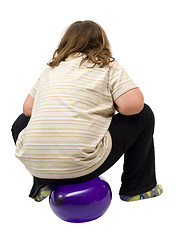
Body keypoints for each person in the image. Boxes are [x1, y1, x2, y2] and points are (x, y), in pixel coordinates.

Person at [11, 20, 163, 202]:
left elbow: (27, 109)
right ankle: (138, 188)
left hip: (37, 165)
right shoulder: (106, 65)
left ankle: (43, 181)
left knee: (21, 122)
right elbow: (133, 105)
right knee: (144, 115)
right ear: (102, 43)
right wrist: (109, 105)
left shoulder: (52, 69)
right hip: (83, 166)